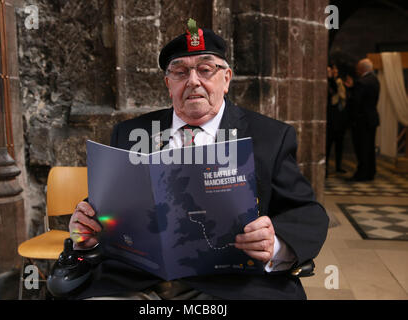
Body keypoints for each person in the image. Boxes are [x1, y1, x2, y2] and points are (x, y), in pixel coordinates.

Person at [68, 21, 329, 300]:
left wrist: (274, 242)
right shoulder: (132, 133)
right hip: (137, 282)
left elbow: (306, 213)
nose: (193, 80)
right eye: (180, 72)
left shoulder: (269, 137)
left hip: (229, 284)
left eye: (205, 70)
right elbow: (109, 209)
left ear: (226, 78)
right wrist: (86, 233)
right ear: (169, 84)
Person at [347, 58, 380, 181]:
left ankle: (362, 174)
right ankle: (370, 172)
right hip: (371, 119)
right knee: (369, 148)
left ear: (361, 69)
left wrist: (350, 90)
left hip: (362, 121)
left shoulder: (362, 82)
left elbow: (356, 101)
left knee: (362, 148)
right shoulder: (374, 79)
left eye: (357, 68)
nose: (356, 70)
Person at [326, 64, 348, 176]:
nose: (335, 71)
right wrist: (330, 78)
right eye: (332, 70)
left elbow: (343, 97)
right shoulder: (328, 82)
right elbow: (333, 93)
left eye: (336, 70)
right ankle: (324, 168)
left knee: (339, 143)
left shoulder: (339, 82)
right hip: (330, 117)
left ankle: (338, 166)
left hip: (339, 118)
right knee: (328, 144)